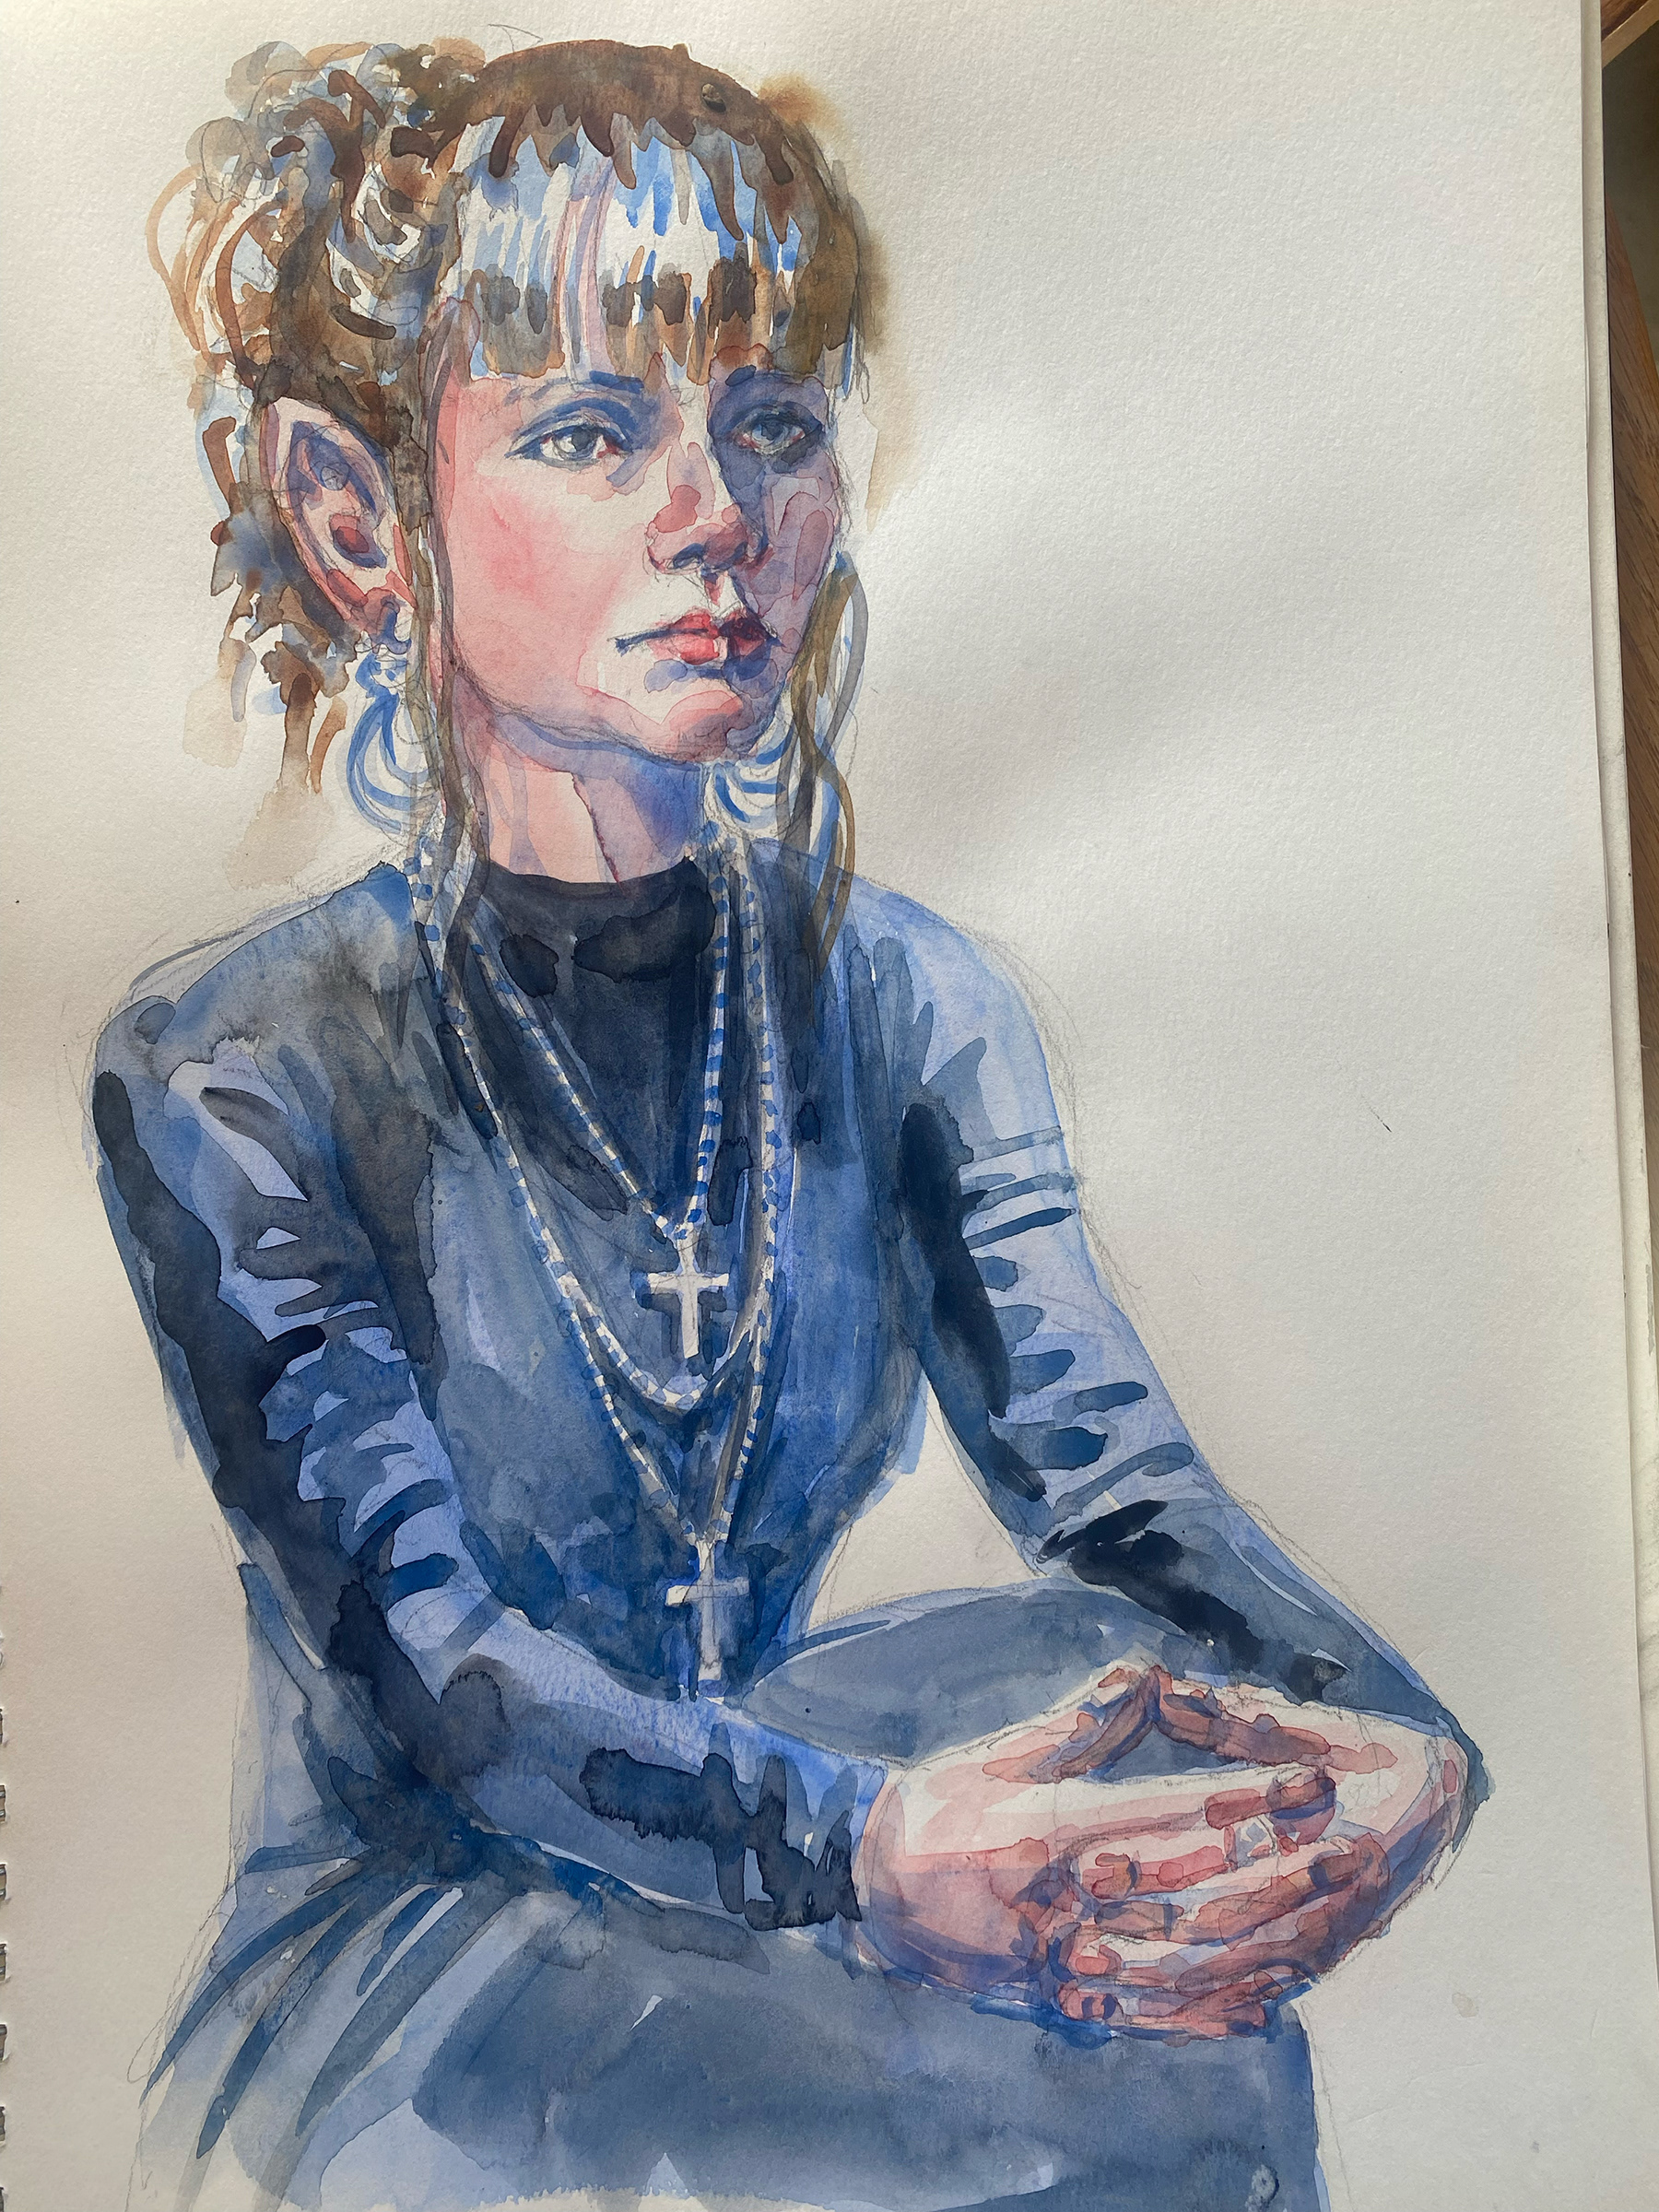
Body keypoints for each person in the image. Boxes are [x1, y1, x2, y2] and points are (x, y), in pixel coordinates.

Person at [94, 38, 1483, 2212]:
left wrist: (1395, 1747)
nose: (717, 515)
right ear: (360, 519)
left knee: (1166, 1897)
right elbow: (443, 1681)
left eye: (769, 423)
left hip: (789, 1881)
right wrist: (874, 1850)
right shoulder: (233, 1064)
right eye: (590, 431)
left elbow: (1116, 1495)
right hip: (431, 1960)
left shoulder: (910, 1003)